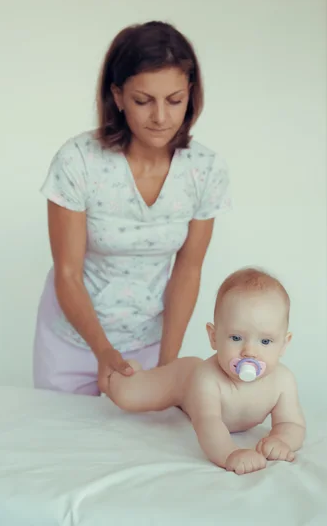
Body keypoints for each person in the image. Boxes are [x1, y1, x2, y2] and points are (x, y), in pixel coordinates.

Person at [33, 20, 231, 397]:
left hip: (150, 343)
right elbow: (69, 273)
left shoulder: (205, 169)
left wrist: (168, 365)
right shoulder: (78, 162)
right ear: (118, 96)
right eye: (143, 101)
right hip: (72, 343)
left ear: (191, 94)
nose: (160, 117)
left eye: (174, 100)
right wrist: (103, 351)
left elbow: (188, 271)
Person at [107, 268, 306, 475]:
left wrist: (281, 440)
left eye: (265, 341)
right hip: (183, 379)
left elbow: (291, 423)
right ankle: (126, 373)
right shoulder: (207, 378)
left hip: (193, 381)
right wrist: (229, 453)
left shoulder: (282, 381)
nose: (249, 352)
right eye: (236, 338)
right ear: (213, 337)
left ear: (284, 344)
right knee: (128, 395)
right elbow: (208, 423)